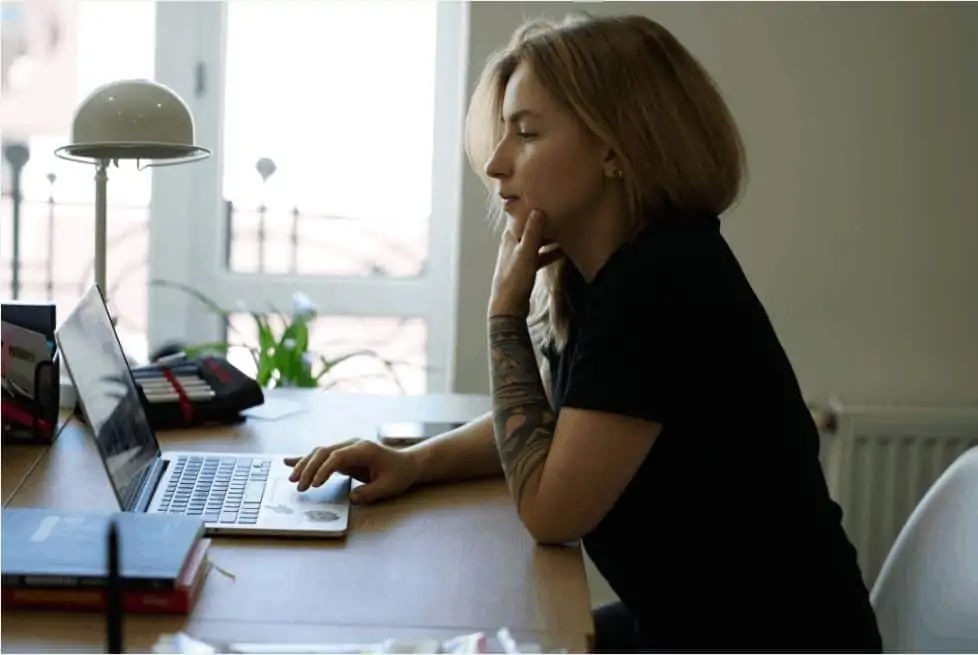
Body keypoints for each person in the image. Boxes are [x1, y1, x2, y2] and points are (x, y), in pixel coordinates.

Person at [285, 13, 883, 652]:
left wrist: (503, 317)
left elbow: (550, 510)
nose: (495, 163)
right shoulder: (612, 274)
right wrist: (411, 464)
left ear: (612, 148)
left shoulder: (660, 283)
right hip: (691, 626)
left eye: (528, 133)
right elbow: (561, 423)